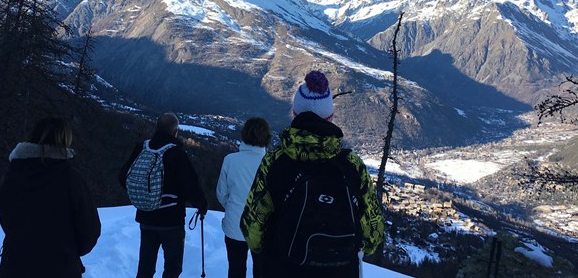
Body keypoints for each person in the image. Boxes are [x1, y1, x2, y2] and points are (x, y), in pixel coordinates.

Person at [240, 71, 385, 278]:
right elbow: (373, 236)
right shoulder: (353, 166)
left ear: (294, 114)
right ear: (330, 117)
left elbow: (252, 230)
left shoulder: (275, 162)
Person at [0, 117, 101, 277]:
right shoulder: (71, 179)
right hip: (60, 268)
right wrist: (69, 251)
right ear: (65, 140)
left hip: (14, 266)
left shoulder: (14, 174)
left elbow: (6, 219)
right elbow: (89, 231)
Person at [120, 113, 208, 278]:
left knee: (145, 266)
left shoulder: (142, 148)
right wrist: (201, 204)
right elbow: (190, 185)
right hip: (171, 220)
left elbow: (123, 177)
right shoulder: (176, 153)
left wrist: (142, 195)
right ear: (175, 131)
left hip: (146, 217)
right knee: (172, 268)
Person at [216, 117, 271, 278]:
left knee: (235, 268)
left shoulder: (230, 160)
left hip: (234, 226)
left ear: (244, 135)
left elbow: (221, 194)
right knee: (261, 270)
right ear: (267, 137)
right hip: (262, 229)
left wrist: (234, 208)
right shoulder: (271, 163)